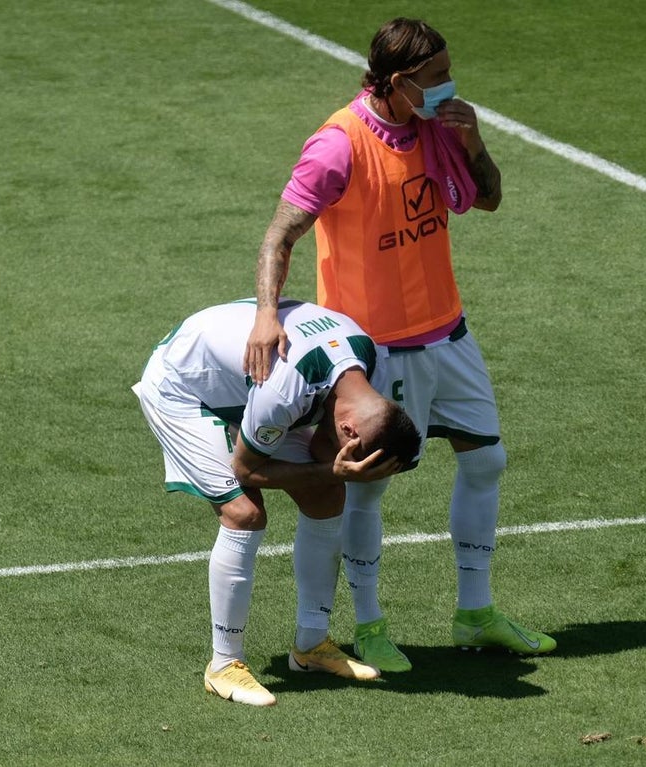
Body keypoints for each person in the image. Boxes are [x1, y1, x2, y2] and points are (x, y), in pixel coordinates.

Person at [244, 18, 556, 673]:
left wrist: (473, 141)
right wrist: (268, 313)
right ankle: (370, 624)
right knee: (369, 488)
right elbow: (280, 235)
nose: (448, 86)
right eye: (435, 77)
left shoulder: (436, 129)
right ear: (396, 81)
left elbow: (489, 199)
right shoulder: (339, 145)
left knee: (486, 461)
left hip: (448, 331)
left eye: (449, 72)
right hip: (377, 350)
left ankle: (476, 613)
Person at [133, 298, 421, 706]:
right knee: (244, 512)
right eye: (350, 453)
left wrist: (331, 476)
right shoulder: (284, 390)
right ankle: (223, 665)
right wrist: (331, 470)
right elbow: (246, 471)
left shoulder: (370, 365)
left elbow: (327, 451)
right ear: (348, 430)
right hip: (183, 386)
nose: (343, 459)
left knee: (327, 495)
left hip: (246, 381)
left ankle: (311, 646)